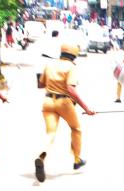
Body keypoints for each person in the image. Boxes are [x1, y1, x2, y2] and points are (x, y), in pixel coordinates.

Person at [35, 43, 96, 183]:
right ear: (74, 56)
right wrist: (86, 108)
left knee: (50, 133)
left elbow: (40, 84)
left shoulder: (49, 64)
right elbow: (71, 89)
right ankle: (77, 159)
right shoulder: (71, 67)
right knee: (76, 129)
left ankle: (41, 156)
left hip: (48, 101)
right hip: (64, 103)